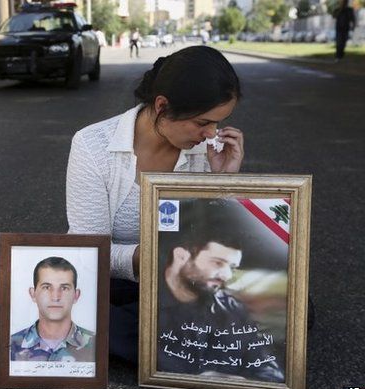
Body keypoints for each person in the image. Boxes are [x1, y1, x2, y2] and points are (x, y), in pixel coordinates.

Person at [65, 46, 245, 362]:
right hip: (122, 282)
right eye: (203, 122)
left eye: (218, 123)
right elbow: (87, 250)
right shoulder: (94, 146)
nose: (211, 134)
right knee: (85, 311)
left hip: (182, 283)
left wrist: (224, 182)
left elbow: (215, 240)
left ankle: (171, 344)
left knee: (295, 306)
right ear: (162, 105)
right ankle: (189, 345)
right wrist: (146, 258)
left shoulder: (207, 151)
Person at [156, 215, 284, 382]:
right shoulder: (144, 302)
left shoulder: (233, 309)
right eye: (217, 263)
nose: (226, 275)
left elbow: (268, 368)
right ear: (181, 256)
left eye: (232, 267)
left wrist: (242, 383)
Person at [10, 257, 95, 362]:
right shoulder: (10, 346)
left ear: (76, 296)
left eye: (64, 288)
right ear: (33, 294)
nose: (55, 297)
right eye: (46, 287)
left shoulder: (97, 345)